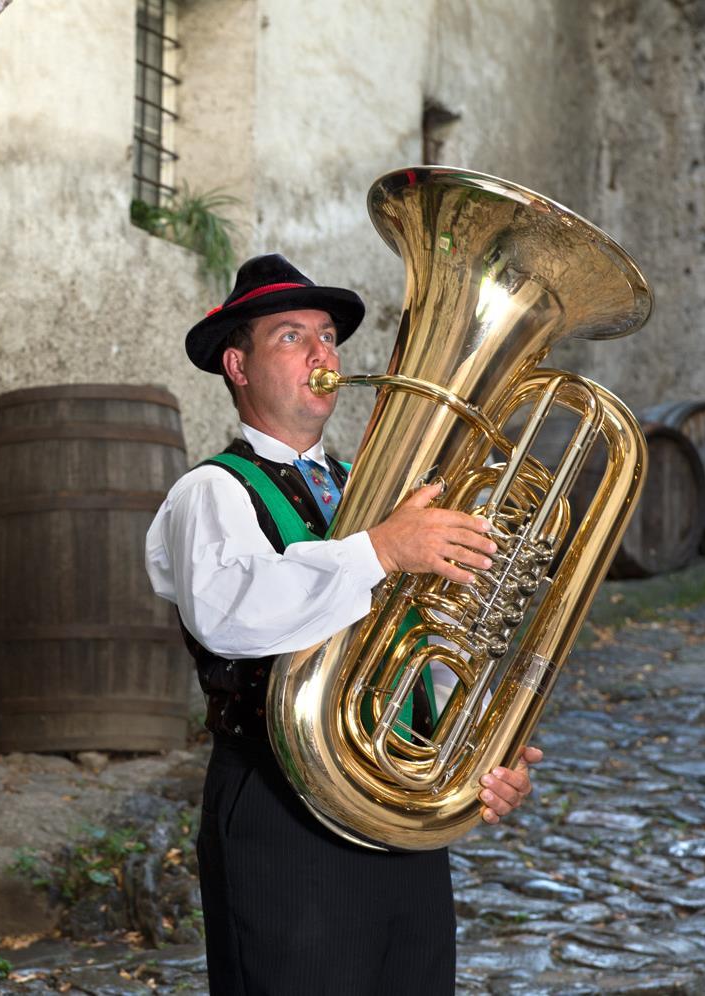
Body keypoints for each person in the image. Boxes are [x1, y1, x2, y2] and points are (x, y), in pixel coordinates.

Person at [144, 253, 543, 995]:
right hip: (282, 813)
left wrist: (477, 742)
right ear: (237, 365)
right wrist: (381, 550)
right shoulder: (211, 490)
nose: (323, 353)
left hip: (395, 809)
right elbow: (235, 611)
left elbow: (421, 639)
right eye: (291, 337)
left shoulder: (369, 490)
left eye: (327, 335)